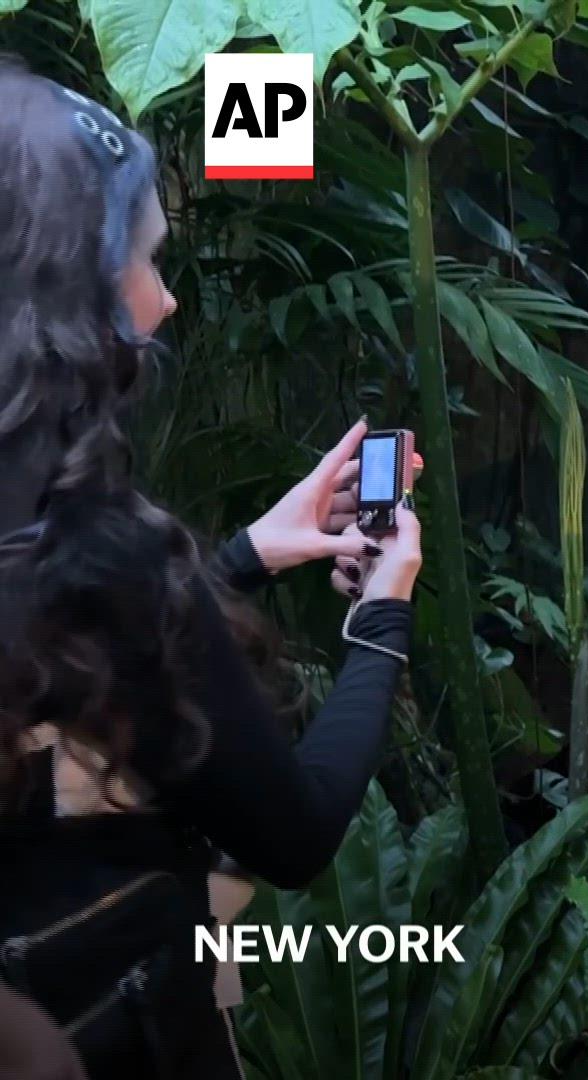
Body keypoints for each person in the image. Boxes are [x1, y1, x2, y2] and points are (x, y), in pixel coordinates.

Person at [0, 61, 423, 1078]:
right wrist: (383, 615)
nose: (167, 299)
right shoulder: (105, 561)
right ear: (61, 303)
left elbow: (72, 662)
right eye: (143, 263)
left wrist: (239, 558)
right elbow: (295, 834)